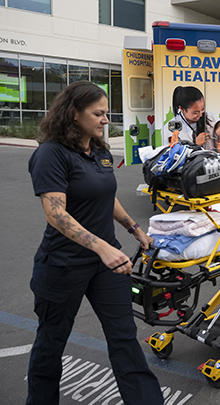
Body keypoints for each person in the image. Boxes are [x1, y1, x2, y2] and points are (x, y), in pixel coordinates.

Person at [27, 81, 164, 405]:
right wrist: (102, 247)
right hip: (63, 265)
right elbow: (55, 213)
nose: (105, 120)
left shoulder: (99, 149)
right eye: (98, 113)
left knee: (124, 339)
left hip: (107, 266)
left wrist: (134, 228)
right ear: (74, 114)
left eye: (107, 113)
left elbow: (105, 196)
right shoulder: (51, 154)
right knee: (51, 344)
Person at [161, 85, 219, 150]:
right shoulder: (170, 129)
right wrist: (194, 144)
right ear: (181, 108)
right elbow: (171, 155)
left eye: (202, 109)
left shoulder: (212, 117)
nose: (200, 115)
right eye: (196, 112)